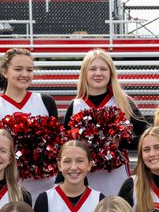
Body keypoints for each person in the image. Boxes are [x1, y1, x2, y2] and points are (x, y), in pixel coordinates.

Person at [0, 47, 59, 198]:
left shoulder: (46, 102)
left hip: (46, 187)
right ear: (5, 72)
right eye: (18, 69)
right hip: (6, 189)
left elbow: (57, 144)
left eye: (29, 70)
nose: (25, 74)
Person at [63, 49, 148, 196]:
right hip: (83, 180)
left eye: (103, 69)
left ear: (111, 73)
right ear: (84, 73)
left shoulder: (123, 102)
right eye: (93, 69)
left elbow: (147, 135)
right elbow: (64, 144)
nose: (98, 73)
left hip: (117, 178)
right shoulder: (75, 106)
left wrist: (120, 141)